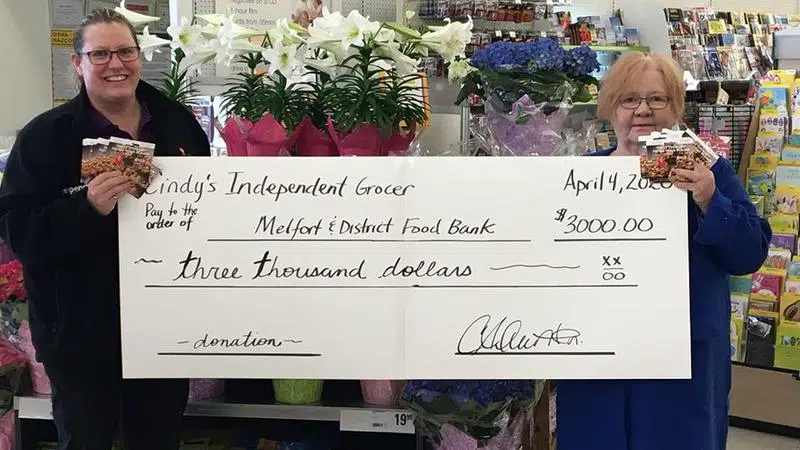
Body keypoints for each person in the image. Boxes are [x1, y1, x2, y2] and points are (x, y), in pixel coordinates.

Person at [0, 9, 210, 450]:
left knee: (158, 439)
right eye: (100, 54)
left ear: (139, 56)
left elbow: (206, 212)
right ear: (77, 64)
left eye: (126, 51)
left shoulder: (178, 124)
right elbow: (19, 234)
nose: (116, 64)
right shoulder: (44, 138)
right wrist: (86, 207)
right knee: (85, 440)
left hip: (160, 327)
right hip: (79, 335)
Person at [556, 52, 771, 450]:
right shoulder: (583, 173)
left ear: (675, 108)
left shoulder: (709, 171)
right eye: (629, 99)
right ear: (611, 108)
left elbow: (749, 254)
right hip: (598, 364)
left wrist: (710, 199)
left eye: (657, 99)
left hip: (680, 369)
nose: (643, 110)